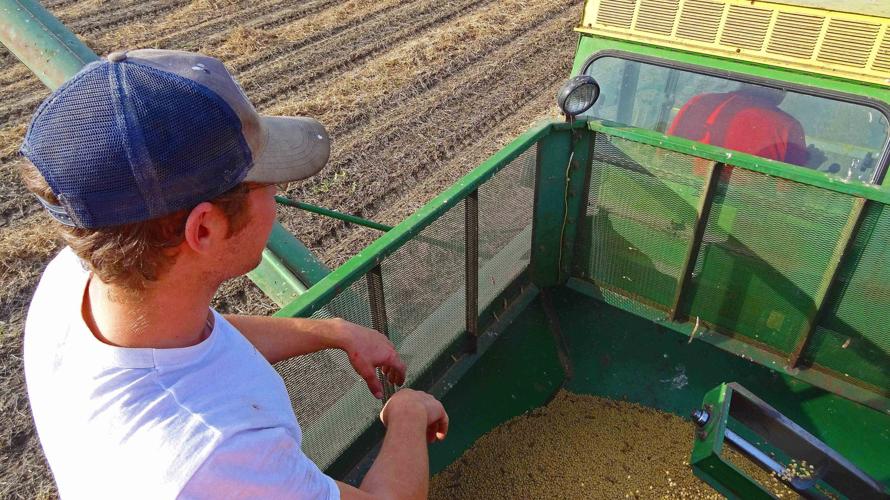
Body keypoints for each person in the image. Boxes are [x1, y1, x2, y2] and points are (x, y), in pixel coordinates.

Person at [20, 49, 448, 499]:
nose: (278, 197)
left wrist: (330, 332)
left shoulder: (73, 281)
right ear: (204, 227)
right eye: (266, 184)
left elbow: (199, 354)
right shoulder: (215, 459)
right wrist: (407, 413)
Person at [667, 84, 823, 169]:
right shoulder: (787, 126)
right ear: (780, 90)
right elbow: (789, 188)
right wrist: (812, 162)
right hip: (744, 208)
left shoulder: (700, 102)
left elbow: (665, 152)